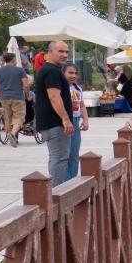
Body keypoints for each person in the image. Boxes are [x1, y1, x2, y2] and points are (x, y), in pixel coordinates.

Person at [34, 41, 73, 184]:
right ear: (50, 52)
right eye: (61, 51)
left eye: (66, 52)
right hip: (55, 123)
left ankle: (54, 193)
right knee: (60, 158)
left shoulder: (48, 69)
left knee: (55, 157)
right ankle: (56, 196)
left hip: (49, 123)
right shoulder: (52, 71)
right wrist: (65, 119)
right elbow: (53, 96)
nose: (64, 55)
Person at [0, 52, 30, 147]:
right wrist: (28, 96)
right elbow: (25, 85)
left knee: (7, 117)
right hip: (17, 97)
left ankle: (11, 136)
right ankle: (13, 134)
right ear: (13, 60)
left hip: (4, 97)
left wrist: (0, 94)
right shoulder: (20, 70)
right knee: (19, 116)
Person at [63, 62, 89, 182]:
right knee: (64, 153)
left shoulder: (77, 89)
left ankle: (73, 179)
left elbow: (82, 105)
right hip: (65, 120)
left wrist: (85, 120)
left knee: (74, 152)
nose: (73, 76)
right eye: (70, 73)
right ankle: (66, 180)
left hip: (76, 120)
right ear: (63, 73)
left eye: (75, 73)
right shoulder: (61, 89)